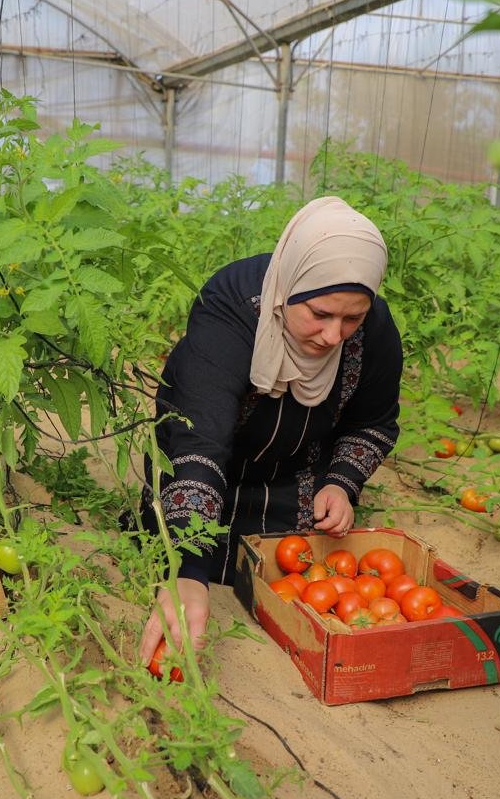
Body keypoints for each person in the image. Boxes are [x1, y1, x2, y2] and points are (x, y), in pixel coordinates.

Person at [137, 197, 401, 666]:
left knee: (290, 561)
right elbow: (199, 440)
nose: (334, 336)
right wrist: (188, 571)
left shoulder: (375, 328)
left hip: (293, 482)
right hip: (203, 472)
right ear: (289, 288)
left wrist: (340, 481)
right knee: (177, 542)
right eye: (319, 313)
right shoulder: (230, 312)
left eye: (352, 318)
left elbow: (373, 421)